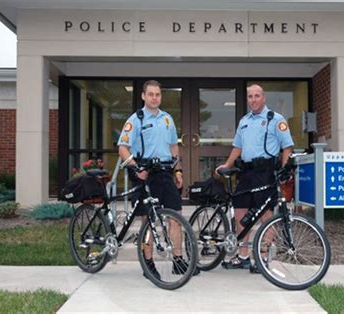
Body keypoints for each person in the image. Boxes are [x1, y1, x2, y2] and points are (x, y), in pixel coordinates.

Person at [117, 80, 199, 280]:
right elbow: (122, 148)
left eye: (158, 94)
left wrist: (178, 170)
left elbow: (173, 148)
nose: (155, 97)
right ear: (144, 96)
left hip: (164, 172)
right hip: (143, 172)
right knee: (149, 219)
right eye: (151, 94)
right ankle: (148, 262)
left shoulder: (167, 119)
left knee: (175, 216)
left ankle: (178, 261)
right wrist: (136, 167)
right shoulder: (135, 120)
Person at [215, 84, 294, 273]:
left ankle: (262, 257)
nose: (253, 99)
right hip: (246, 173)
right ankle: (242, 256)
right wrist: (227, 164)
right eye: (250, 96)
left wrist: (283, 170)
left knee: (266, 216)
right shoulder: (244, 121)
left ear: (264, 98)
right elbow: (237, 147)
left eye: (257, 96)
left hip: (265, 173)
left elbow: (287, 147)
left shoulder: (275, 119)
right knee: (240, 214)